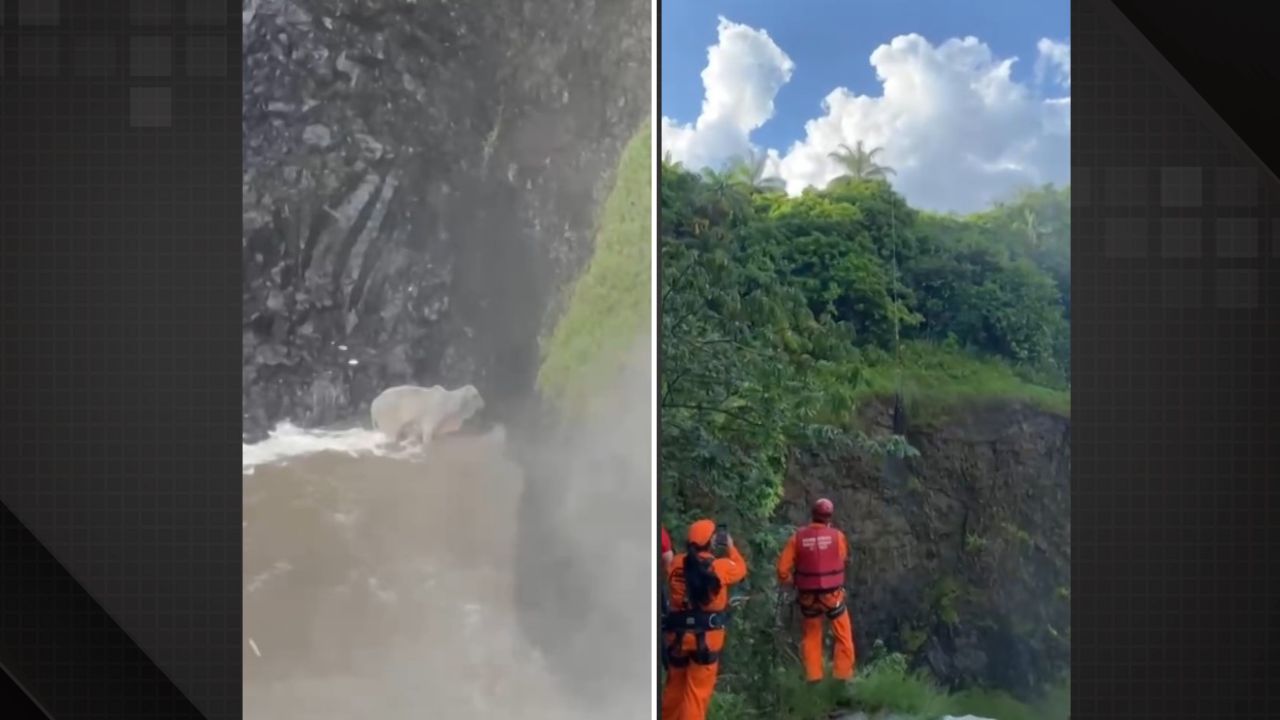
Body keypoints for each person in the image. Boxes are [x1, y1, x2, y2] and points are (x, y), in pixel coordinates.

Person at [661, 519, 748, 720]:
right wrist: (731, 548)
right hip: (707, 641)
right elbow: (741, 569)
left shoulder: (676, 564)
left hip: (677, 639)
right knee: (696, 695)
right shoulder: (721, 567)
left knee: (673, 691)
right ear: (711, 542)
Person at [776, 498, 856, 683]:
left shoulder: (797, 538)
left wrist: (795, 582)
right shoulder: (837, 536)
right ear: (829, 517)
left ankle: (813, 676)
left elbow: (782, 570)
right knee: (843, 634)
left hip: (808, 596)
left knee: (812, 635)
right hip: (832, 596)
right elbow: (841, 557)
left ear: (812, 514)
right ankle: (843, 676)